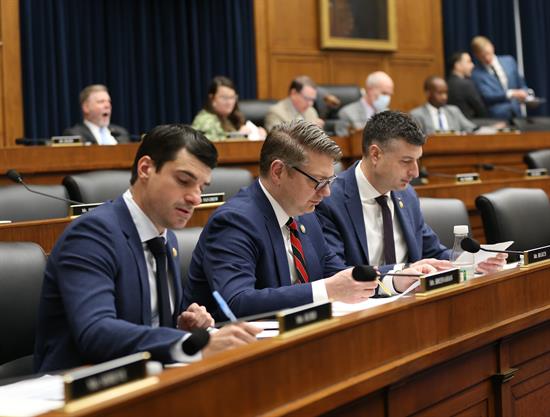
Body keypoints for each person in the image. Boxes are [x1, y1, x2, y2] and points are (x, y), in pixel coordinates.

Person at [34, 124, 260, 373]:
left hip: (149, 375)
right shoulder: (92, 235)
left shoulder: (166, 239)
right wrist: (189, 343)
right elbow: (96, 332)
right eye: (184, 181)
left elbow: (146, 324)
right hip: (82, 384)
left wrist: (182, 326)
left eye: (201, 187)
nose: (195, 198)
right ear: (145, 169)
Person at [186, 120, 407, 321]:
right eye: (318, 181)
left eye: (329, 181)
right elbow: (237, 302)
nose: (327, 193)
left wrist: (399, 276)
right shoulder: (235, 221)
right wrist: (327, 290)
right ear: (278, 171)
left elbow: (339, 275)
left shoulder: (305, 215)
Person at [316, 111, 507, 294]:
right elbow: (335, 273)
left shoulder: (406, 195)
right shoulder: (330, 199)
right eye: (406, 161)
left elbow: (432, 251)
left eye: (417, 161)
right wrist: (402, 272)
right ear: (375, 155)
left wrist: (472, 260)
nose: (415, 172)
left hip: (410, 299)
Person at [470, 36, 530, 119]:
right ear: (476, 56)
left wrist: (526, 94)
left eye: (488, 53)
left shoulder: (509, 61)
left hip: (517, 113)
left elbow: (521, 84)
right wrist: (511, 94)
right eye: (482, 56)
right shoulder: (476, 74)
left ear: (492, 47)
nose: (487, 58)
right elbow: (487, 96)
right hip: (496, 117)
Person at [192, 76, 266, 141]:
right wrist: (239, 136)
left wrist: (258, 133)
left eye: (232, 97)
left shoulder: (231, 118)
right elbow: (209, 145)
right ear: (212, 98)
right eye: (224, 97)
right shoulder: (206, 120)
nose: (229, 102)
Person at [63, 84, 130, 145]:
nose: (107, 105)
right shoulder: (75, 135)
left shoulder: (121, 133)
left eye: (109, 101)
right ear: (86, 107)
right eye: (101, 101)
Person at [410, 76, 477, 135]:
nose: (444, 97)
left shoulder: (454, 111)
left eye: (445, 92)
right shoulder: (417, 115)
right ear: (428, 93)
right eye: (440, 93)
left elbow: (471, 129)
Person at [336, 71, 394, 136]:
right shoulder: (347, 113)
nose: (387, 98)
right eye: (384, 93)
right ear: (370, 90)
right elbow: (341, 141)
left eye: (390, 94)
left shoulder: (388, 114)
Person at [447, 51, 488, 119]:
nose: (472, 65)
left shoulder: (446, 82)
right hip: (470, 122)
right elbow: (480, 110)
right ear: (457, 65)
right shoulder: (466, 84)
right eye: (469, 62)